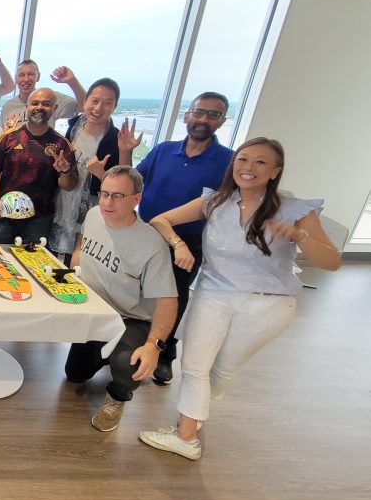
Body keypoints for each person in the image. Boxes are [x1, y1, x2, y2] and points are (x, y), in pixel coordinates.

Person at [140, 138, 341, 460]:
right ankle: (186, 435)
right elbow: (160, 220)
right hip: (213, 292)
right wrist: (178, 244)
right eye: (243, 160)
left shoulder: (294, 209)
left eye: (260, 162)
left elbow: (331, 262)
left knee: (223, 369)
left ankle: (193, 415)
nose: (248, 168)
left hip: (269, 303)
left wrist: (299, 236)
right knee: (195, 367)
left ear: (275, 171)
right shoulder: (216, 202)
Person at [66, 166, 178, 432]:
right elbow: (81, 245)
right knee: (75, 375)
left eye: (117, 196)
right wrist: (74, 270)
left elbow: (167, 301)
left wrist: (154, 345)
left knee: (127, 363)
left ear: (136, 199)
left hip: (130, 319)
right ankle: (104, 355)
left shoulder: (152, 245)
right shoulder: (94, 215)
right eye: (104, 193)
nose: (107, 202)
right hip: (96, 310)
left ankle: (118, 396)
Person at [133, 92, 235, 386]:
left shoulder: (228, 161)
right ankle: (134, 344)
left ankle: (164, 356)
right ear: (187, 115)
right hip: (146, 234)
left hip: (187, 241)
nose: (203, 119)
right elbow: (135, 182)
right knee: (137, 291)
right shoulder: (163, 150)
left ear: (221, 121)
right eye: (199, 112)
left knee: (173, 298)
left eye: (212, 115)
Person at [51, 78, 138, 261]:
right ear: (86, 101)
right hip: (63, 204)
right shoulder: (73, 128)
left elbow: (124, 181)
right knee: (54, 259)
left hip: (93, 211)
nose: (98, 108)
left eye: (107, 103)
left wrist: (121, 154)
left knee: (80, 263)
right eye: (95, 101)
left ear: (114, 107)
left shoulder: (116, 138)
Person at [0, 87, 78, 245]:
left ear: (54, 108)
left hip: (39, 219)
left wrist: (66, 171)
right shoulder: (8, 137)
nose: (40, 107)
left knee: (33, 264)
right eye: (35, 103)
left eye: (46, 104)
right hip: (5, 214)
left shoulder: (62, 144)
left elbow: (69, 186)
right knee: (0, 261)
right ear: (27, 107)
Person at [0, 61, 85, 135]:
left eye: (31, 74)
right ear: (16, 78)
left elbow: (84, 107)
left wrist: (72, 81)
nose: (26, 79)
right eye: (21, 75)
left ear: (38, 77)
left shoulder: (50, 99)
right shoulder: (8, 105)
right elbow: (1, 135)